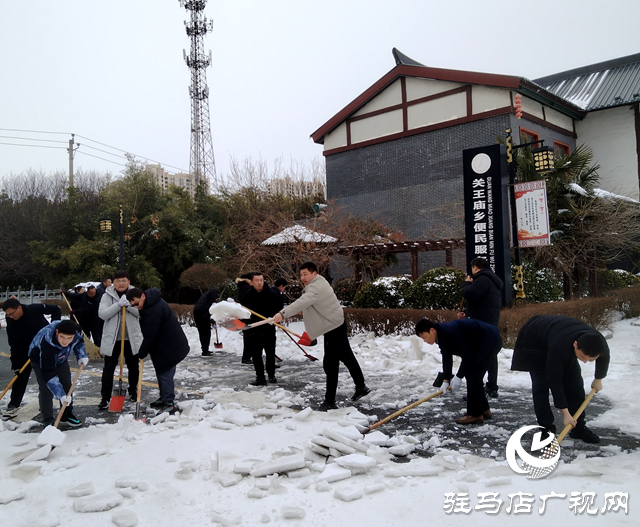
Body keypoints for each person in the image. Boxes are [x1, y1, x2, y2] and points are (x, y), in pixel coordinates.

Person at [273, 261, 370, 410]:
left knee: (330, 364)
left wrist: (282, 314)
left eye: (305, 274)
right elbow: (313, 304)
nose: (303, 277)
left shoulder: (315, 288)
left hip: (333, 328)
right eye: (301, 275)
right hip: (335, 324)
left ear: (314, 274)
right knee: (347, 357)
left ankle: (330, 401)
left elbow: (303, 302)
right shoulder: (320, 282)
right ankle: (361, 386)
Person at [511, 315, 609, 443]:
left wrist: (598, 378)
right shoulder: (559, 347)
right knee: (541, 387)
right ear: (575, 345)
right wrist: (565, 413)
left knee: (575, 385)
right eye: (583, 357)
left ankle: (578, 427)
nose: (585, 362)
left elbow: (604, 358)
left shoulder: (598, 342)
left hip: (557, 334)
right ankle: (546, 431)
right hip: (535, 341)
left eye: (590, 360)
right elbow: (555, 381)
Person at [415, 317, 502, 424]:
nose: (425, 341)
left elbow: (468, 356)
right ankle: (483, 410)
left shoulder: (449, 333)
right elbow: (446, 356)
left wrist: (459, 376)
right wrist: (446, 379)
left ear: (432, 330)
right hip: (481, 342)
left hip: (489, 340)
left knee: (473, 375)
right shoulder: (442, 335)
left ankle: (475, 414)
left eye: (424, 337)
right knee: (473, 375)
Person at [126, 287, 190, 414]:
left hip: (170, 345)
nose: (137, 307)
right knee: (161, 371)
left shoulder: (153, 310)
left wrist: (142, 352)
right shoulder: (151, 303)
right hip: (164, 344)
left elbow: (150, 335)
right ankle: (164, 398)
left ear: (143, 296)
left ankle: (169, 402)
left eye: (137, 303)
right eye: (133, 305)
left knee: (165, 373)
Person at [2, 298, 62, 418]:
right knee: (20, 375)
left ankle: (54, 405)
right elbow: (13, 344)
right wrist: (16, 364)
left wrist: (54, 328)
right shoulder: (11, 321)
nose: (10, 317)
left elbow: (56, 310)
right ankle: (13, 405)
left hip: (44, 347)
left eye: (11, 313)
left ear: (19, 307)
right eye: (7, 315)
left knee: (48, 377)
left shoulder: (34, 309)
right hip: (26, 350)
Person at [457, 257, 503, 398]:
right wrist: (468, 314)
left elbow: (470, 293)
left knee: (477, 354)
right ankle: (492, 386)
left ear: (475, 267)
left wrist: (465, 284)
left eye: (472, 269)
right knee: (490, 354)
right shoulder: (493, 281)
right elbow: (482, 302)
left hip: (481, 323)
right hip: (490, 321)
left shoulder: (482, 279)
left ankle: (476, 388)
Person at [29, 319, 88, 427]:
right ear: (57, 332)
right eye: (62, 337)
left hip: (61, 358)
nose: (65, 341)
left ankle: (66, 413)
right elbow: (48, 373)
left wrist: (81, 355)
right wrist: (60, 395)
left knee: (66, 384)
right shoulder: (48, 342)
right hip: (40, 360)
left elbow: (79, 342)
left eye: (69, 338)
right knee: (46, 388)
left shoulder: (77, 331)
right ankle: (48, 420)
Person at [97, 270, 143, 410]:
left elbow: (141, 313)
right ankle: (105, 397)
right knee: (108, 369)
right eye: (118, 281)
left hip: (131, 338)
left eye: (124, 280)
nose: (121, 283)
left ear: (128, 282)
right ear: (113, 282)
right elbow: (102, 314)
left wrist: (128, 305)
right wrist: (118, 305)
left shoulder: (136, 294)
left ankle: (133, 390)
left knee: (133, 367)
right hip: (113, 339)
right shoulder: (107, 295)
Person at [240, 273, 284, 385]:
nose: (260, 282)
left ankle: (271, 375)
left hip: (268, 329)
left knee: (270, 353)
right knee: (256, 355)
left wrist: (273, 317)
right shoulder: (248, 295)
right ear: (251, 282)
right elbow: (242, 312)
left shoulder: (271, 293)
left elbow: (279, 307)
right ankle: (260, 377)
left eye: (261, 280)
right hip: (254, 331)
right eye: (257, 280)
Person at [193, 286, 220, 357]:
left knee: (202, 332)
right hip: (202, 314)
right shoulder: (210, 298)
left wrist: (211, 320)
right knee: (206, 332)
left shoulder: (206, 298)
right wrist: (211, 320)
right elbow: (206, 312)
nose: (217, 299)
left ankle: (205, 350)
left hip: (198, 314)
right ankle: (205, 351)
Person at [235, 273, 255, 364]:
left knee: (248, 337)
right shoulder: (246, 288)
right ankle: (246, 357)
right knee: (249, 337)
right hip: (247, 317)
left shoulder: (243, 287)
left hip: (245, 316)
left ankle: (247, 357)